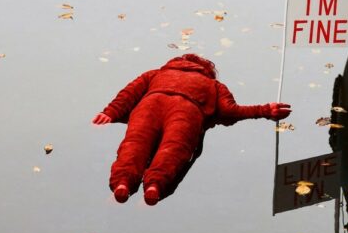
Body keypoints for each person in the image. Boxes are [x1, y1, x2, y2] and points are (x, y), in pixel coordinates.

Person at [92, 54, 291, 205]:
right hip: (187, 111)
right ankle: (154, 185)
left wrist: (109, 113)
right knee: (173, 148)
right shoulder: (214, 85)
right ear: (206, 70)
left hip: (150, 104)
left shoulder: (156, 73)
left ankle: (123, 182)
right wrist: (265, 110)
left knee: (135, 143)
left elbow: (129, 94)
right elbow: (231, 111)